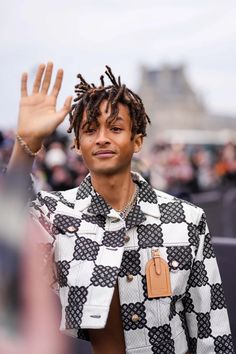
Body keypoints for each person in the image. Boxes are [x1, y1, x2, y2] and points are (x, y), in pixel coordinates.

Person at [7, 62, 234, 354]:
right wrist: (24, 146)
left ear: (137, 140)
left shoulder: (187, 220)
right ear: (77, 144)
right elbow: (6, 238)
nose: (102, 137)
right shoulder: (56, 213)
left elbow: (211, 332)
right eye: (90, 129)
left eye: (115, 128)